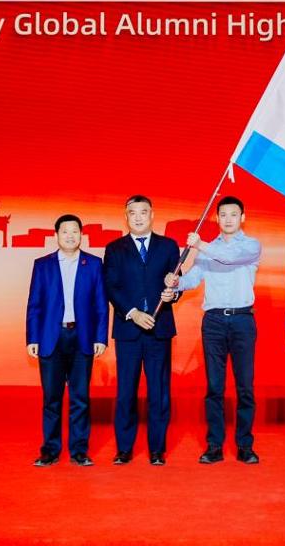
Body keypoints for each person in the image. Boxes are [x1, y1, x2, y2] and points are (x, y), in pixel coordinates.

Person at [166, 195, 262, 464]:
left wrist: (200, 245)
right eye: (223, 215)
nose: (228, 219)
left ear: (242, 218)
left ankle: (245, 446)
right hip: (214, 322)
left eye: (234, 214)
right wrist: (176, 281)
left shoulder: (251, 246)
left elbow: (229, 258)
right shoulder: (208, 250)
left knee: (245, 386)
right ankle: (214, 446)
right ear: (217, 218)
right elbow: (193, 280)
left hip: (242, 321)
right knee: (214, 387)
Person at [103, 195, 180, 466]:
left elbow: (176, 283)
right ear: (126, 217)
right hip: (129, 330)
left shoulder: (169, 246)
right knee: (126, 391)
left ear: (152, 215)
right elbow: (111, 287)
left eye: (143, 212)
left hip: (159, 330)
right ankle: (124, 449)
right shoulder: (114, 249)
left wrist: (174, 293)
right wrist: (133, 313)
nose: (138, 217)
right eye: (132, 213)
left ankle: (157, 450)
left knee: (159, 392)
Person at [25, 214, 108, 467]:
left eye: (75, 231)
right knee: (52, 398)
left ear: (81, 235)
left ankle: (79, 451)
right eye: (65, 232)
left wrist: (100, 337)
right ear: (56, 235)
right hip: (51, 337)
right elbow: (35, 304)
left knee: (80, 397)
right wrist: (32, 337)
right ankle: (50, 450)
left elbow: (101, 305)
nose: (70, 236)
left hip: (82, 337)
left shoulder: (93, 264)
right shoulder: (43, 265)